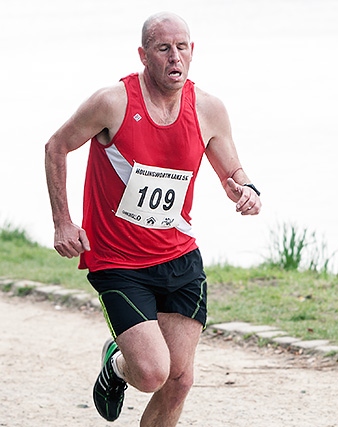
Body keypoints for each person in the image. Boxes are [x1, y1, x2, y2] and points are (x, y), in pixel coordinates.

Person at [44, 12, 261, 426]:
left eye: (182, 48)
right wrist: (63, 221)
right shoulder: (113, 102)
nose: (174, 57)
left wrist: (245, 190)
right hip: (119, 263)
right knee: (151, 373)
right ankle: (117, 364)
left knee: (178, 381)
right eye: (163, 49)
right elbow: (56, 146)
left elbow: (234, 170)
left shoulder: (209, 108)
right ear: (144, 55)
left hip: (179, 259)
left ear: (192, 52)